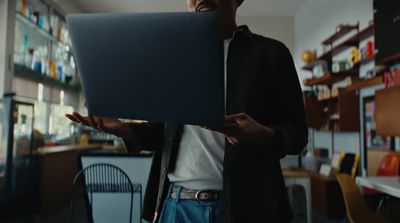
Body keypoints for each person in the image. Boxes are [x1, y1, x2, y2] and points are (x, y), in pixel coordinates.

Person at [66, 0, 308, 222]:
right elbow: (165, 134)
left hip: (245, 209)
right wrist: (124, 129)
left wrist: (259, 134)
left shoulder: (272, 54)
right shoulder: (174, 58)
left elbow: (297, 136)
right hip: (175, 206)